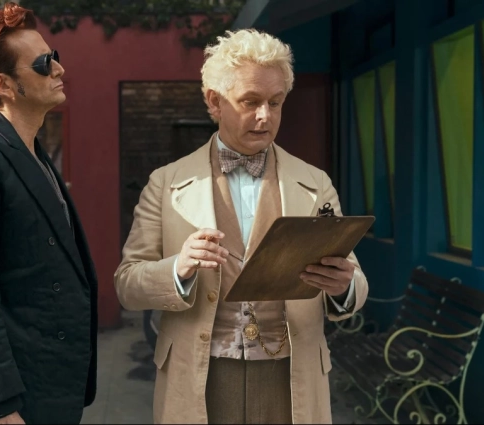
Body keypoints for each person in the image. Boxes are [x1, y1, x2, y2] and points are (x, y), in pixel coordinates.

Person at [114, 29, 368, 424]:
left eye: (275, 102)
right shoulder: (165, 183)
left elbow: (355, 277)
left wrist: (344, 286)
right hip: (201, 376)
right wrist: (178, 268)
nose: (265, 115)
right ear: (215, 101)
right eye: (251, 101)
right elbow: (127, 284)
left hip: (291, 376)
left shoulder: (315, 182)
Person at [0, 3, 98, 424]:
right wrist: (1, 405)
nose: (59, 68)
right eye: (44, 64)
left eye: (54, 56)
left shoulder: (33, 154)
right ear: (4, 85)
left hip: (49, 385)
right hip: (15, 401)